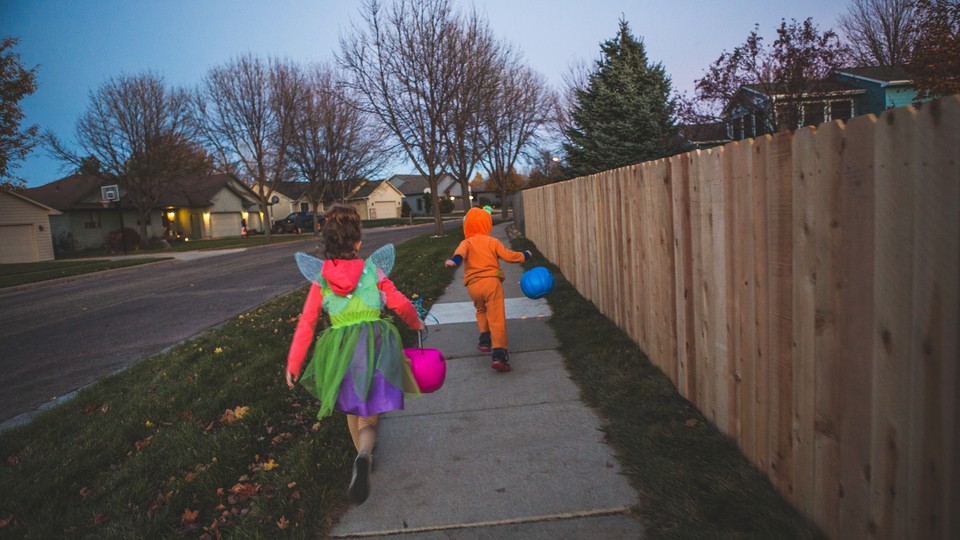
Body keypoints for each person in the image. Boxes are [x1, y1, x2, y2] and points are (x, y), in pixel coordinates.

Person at [285, 204, 424, 504]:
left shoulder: (321, 280)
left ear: (326, 245)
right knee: (369, 420)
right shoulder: (373, 272)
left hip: (340, 352)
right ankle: (365, 452)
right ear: (358, 242)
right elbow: (399, 303)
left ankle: (362, 459)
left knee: (352, 408)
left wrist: (294, 363)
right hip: (374, 347)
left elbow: (307, 322)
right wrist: (416, 322)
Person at [445, 207, 531, 372]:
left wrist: (454, 261)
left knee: (481, 310)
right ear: (487, 225)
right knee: (496, 317)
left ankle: (485, 338)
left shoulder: (466, 242)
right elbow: (508, 256)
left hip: (473, 287)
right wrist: (525, 255)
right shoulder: (492, 242)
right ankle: (499, 354)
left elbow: (460, 254)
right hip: (491, 283)